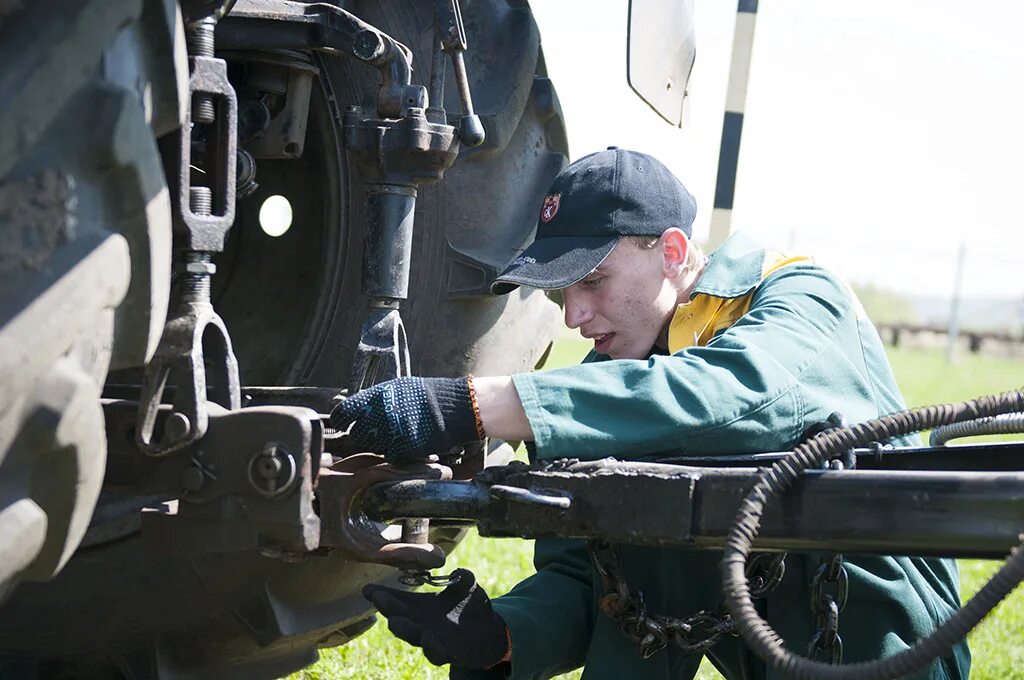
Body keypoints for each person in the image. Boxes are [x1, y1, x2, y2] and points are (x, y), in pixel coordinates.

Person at [330, 148, 969, 679]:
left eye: (594, 281)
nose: (574, 317)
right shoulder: (604, 387)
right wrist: (501, 635)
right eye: (560, 293)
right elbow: (593, 577)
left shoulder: (799, 295)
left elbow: (744, 393)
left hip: (888, 649)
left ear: (670, 251)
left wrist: (476, 406)